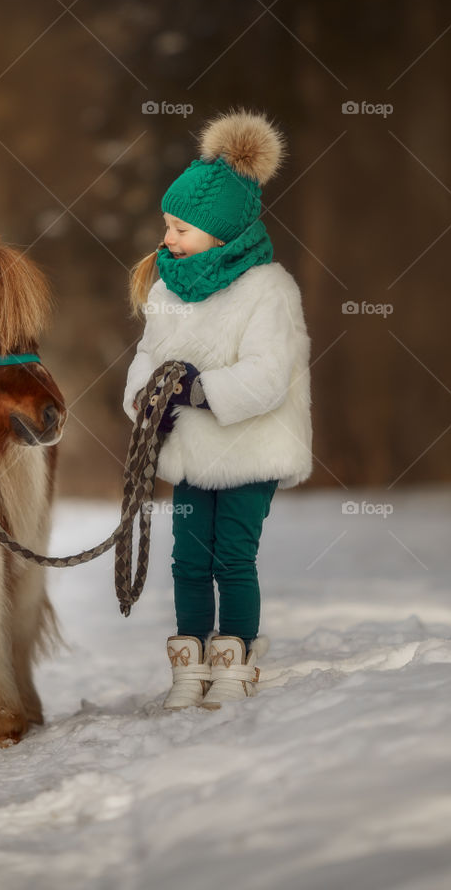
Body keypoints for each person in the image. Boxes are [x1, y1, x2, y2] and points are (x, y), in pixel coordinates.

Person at [123, 108, 312, 710]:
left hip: (251, 449)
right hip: (190, 450)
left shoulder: (268, 290)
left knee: (232, 557)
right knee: (187, 559)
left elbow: (268, 377)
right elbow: (147, 357)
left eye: (180, 229)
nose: (167, 240)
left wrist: (196, 391)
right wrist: (147, 398)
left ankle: (235, 658)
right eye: (167, 226)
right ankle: (191, 664)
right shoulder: (166, 290)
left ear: (221, 232)